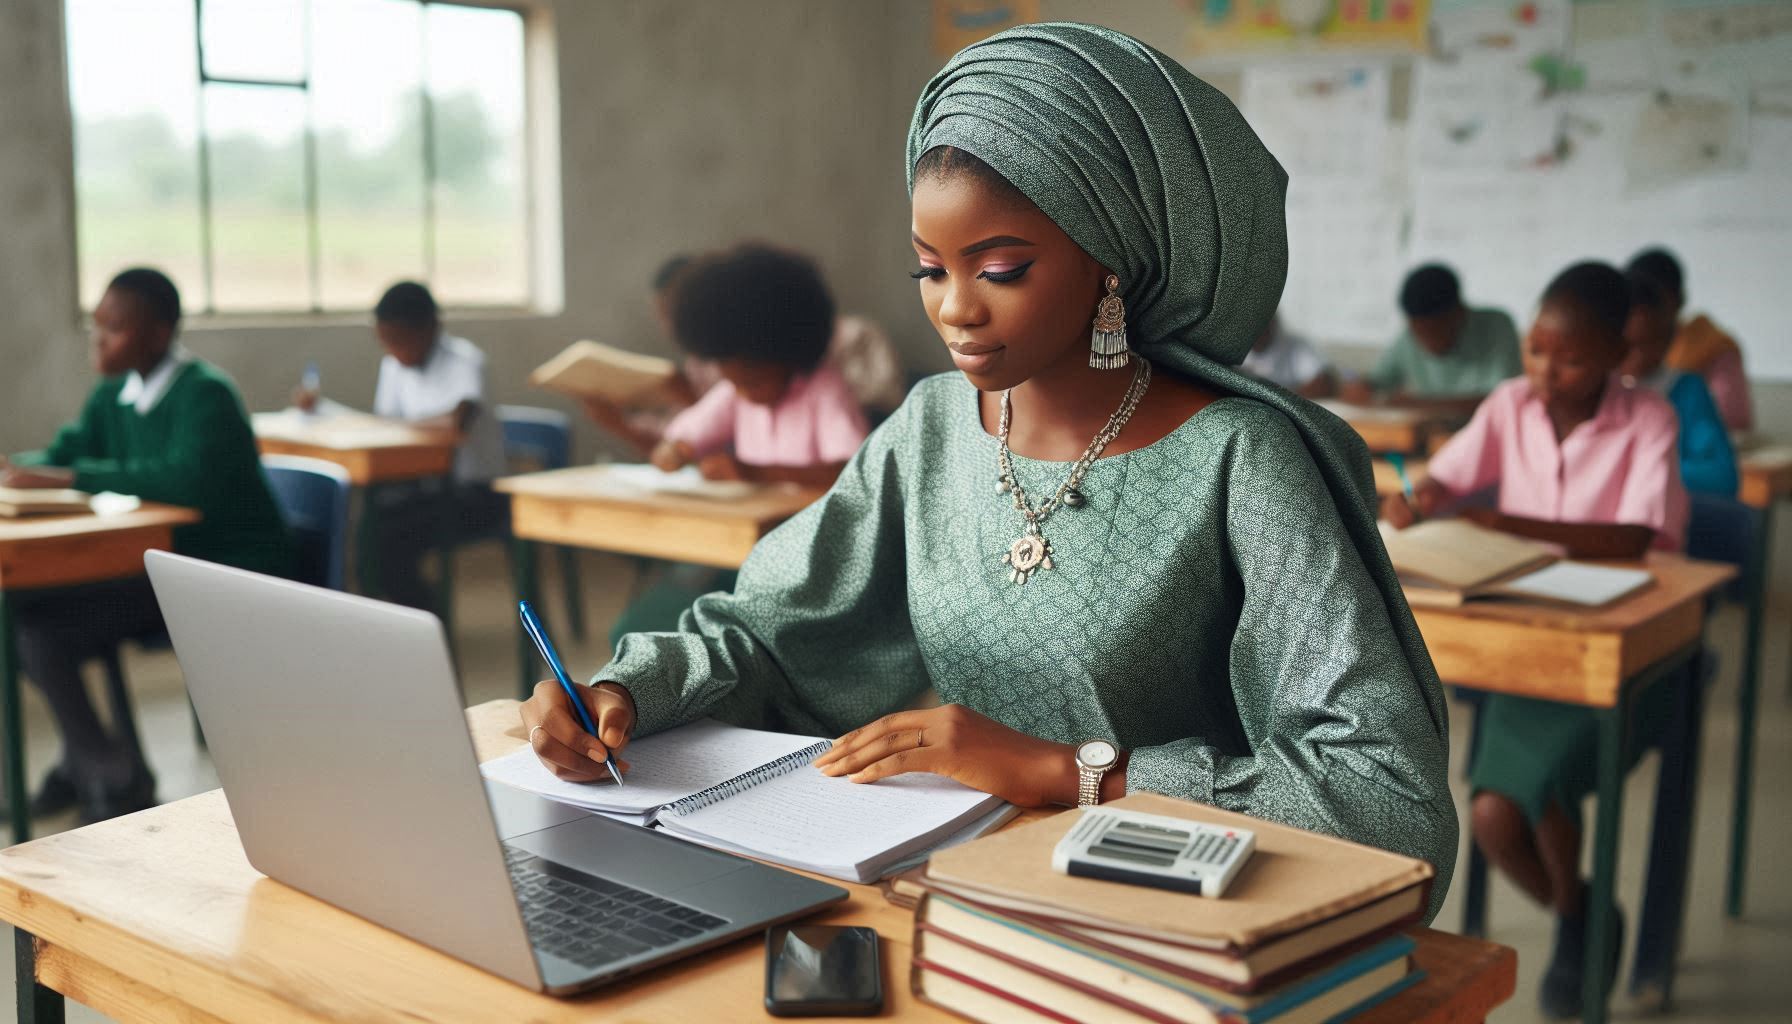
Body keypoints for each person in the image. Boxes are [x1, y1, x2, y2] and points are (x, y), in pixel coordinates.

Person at [519, 23, 1456, 924]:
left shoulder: (1241, 461)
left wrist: (1075, 770)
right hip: (957, 881)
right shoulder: (931, 429)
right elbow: (773, 635)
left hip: (1168, 908)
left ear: (1113, 261)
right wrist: (628, 693)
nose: (955, 309)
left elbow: (1384, 798)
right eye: (930, 269)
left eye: (1001, 267)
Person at [1382, 262, 1684, 1017]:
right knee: (1490, 816)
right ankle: (1582, 911)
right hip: (1528, 650)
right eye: (1536, 352)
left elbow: (1635, 535)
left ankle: (1580, 923)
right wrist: (1419, 498)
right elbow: (1449, 477)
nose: (1549, 372)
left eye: (1574, 357)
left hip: (1617, 648)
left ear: (1620, 354)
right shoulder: (1512, 403)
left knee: (1530, 798)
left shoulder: (1648, 419)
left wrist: (1505, 522)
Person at [1, 268, 294, 822]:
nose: (99, 339)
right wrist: (18, 469)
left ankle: (106, 771)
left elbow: (185, 483)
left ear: (158, 334)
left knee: (39, 630)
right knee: (17, 613)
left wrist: (67, 478)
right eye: (98, 326)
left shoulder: (205, 394)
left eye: (115, 329)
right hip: (156, 566)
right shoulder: (115, 392)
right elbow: (65, 453)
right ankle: (96, 762)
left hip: (220, 571)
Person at [300, 281, 508, 609]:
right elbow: (387, 429)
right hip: (422, 488)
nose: (394, 350)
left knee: (388, 538)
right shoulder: (394, 365)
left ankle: (428, 618)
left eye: (401, 340)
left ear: (432, 329)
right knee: (363, 524)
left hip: (476, 494)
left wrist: (392, 426)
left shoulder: (466, 361)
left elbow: (456, 422)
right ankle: (401, 614)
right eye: (386, 342)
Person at [648, 243, 871, 490]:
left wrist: (755, 473)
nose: (743, 394)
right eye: (735, 384)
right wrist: (674, 450)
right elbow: (686, 433)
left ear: (787, 355)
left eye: (754, 382)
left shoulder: (825, 390)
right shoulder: (736, 394)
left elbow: (853, 472)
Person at [1621, 267, 1738, 497]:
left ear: (1672, 337)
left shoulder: (1685, 390)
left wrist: (1643, 469)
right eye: (1630, 345)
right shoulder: (1589, 393)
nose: (1640, 357)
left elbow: (1723, 477)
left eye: (1653, 341)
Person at [1350, 264, 1521, 416]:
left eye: (1433, 331)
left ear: (1458, 314)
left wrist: (1417, 404)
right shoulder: (1409, 336)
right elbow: (1372, 383)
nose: (1425, 341)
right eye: (1418, 331)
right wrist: (1362, 390)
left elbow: (1503, 402)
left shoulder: (1497, 327)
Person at [1626, 247, 1753, 432]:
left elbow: (1734, 418)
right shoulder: (1607, 376)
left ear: (1679, 300)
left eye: (1655, 302)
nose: (1639, 356)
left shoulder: (1711, 350)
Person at [1241, 313, 1336, 398]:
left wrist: (1287, 400)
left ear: (1273, 322)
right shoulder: (1233, 348)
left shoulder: (1295, 345)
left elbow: (1324, 381)